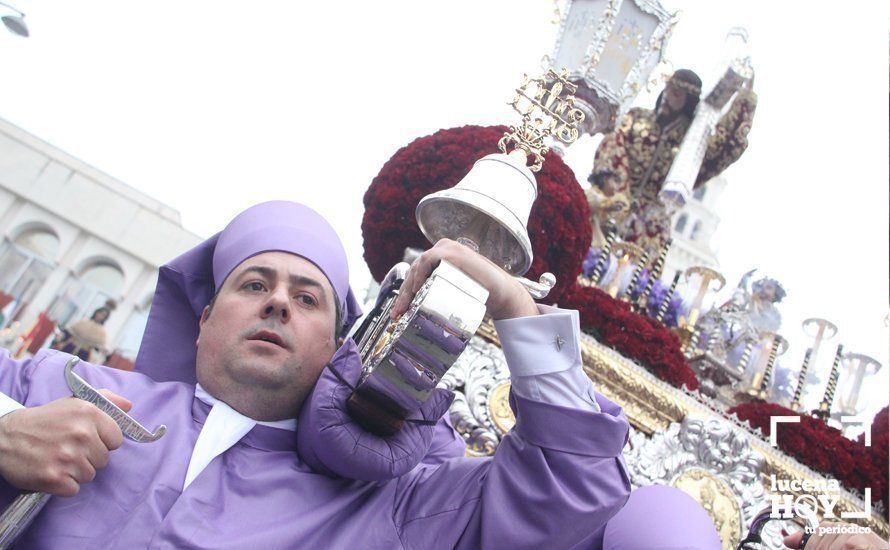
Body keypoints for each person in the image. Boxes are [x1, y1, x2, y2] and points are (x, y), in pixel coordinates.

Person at [0, 200, 636, 548]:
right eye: (254, 284)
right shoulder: (54, 389)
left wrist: (517, 311)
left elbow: (572, 488)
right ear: (203, 319)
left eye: (307, 298)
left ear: (336, 345)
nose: (278, 301)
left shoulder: (391, 511)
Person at [586, 69, 757, 258]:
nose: (667, 97)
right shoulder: (637, 118)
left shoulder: (693, 146)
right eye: (667, 90)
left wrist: (746, 99)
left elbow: (728, 146)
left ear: (688, 101)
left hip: (651, 229)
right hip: (611, 205)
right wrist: (615, 187)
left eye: (675, 94)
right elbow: (612, 143)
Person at [49, 300, 117, 362]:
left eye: (103, 315)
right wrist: (60, 338)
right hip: (69, 347)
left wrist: (105, 352)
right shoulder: (83, 322)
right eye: (100, 313)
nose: (100, 316)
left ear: (105, 318)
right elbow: (68, 333)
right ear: (96, 312)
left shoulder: (102, 332)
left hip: (83, 354)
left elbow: (99, 347)